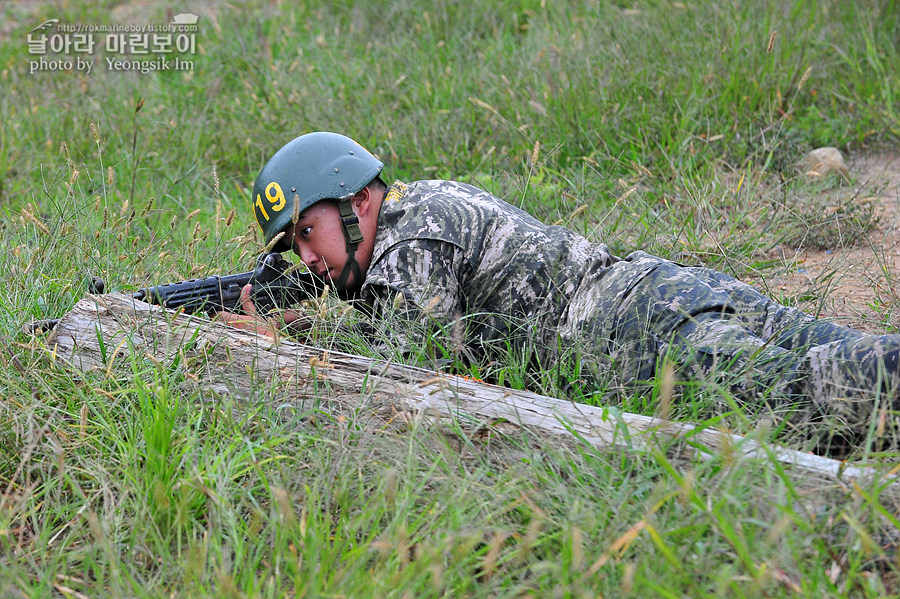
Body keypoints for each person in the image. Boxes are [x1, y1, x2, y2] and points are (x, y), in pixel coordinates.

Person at [217, 131, 900, 449]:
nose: (307, 258)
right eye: (293, 247)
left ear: (356, 200)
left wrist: (284, 347)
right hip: (660, 293)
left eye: (308, 233)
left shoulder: (406, 245)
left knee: (814, 395)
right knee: (848, 369)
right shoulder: (417, 206)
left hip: (644, 340)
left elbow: (399, 385)